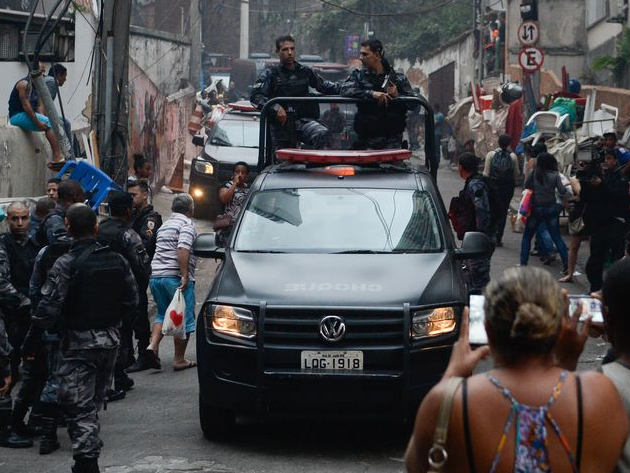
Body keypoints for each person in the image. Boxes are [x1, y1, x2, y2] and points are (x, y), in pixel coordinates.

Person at [405, 266, 629, 473]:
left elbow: (416, 466)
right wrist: (565, 365)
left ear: (487, 329)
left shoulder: (449, 402)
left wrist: (452, 375)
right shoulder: (601, 395)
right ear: (559, 329)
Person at [32, 203, 138, 473]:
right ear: (95, 227)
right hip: (109, 343)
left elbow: (47, 310)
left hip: (78, 343)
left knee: (79, 409)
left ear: (68, 227)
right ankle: (87, 457)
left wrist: (44, 334)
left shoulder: (66, 264)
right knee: (90, 406)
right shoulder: (116, 259)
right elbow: (132, 300)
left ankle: (87, 462)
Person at [97, 192, 151, 400]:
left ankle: (119, 375)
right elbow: (143, 264)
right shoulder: (128, 234)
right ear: (128, 210)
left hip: (99, 291)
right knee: (120, 334)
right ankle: (115, 378)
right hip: (123, 292)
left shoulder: (98, 229)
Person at [250, 35, 340, 150]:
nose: (289, 53)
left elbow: (324, 86)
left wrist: (347, 88)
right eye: (285, 49)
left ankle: (317, 165)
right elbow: (256, 96)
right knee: (281, 161)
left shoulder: (304, 71)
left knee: (322, 134)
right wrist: (275, 107)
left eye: (292, 49)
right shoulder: (270, 74)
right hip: (281, 126)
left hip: (304, 122)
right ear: (277, 52)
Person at [146, 194, 197, 371]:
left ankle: (152, 346)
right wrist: (184, 275)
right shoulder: (186, 225)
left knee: (162, 313)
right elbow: (183, 248)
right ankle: (179, 359)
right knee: (183, 317)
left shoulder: (165, 225)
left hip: (156, 276)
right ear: (191, 209)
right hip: (174, 277)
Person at [340, 39, 414, 150]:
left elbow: (413, 104)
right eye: (360, 54)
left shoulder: (398, 78)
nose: (361, 58)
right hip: (367, 141)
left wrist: (397, 95)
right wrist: (371, 94)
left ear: (377, 55)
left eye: (365, 54)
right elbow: (344, 90)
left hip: (392, 142)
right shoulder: (359, 76)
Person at [581, 148, 630, 292]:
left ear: (615, 161)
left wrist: (601, 185)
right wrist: (586, 184)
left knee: (616, 257)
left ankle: (615, 289)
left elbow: (617, 195)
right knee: (595, 258)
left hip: (615, 221)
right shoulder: (598, 175)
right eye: (605, 159)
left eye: (609, 159)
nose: (606, 162)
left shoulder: (620, 177)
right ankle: (595, 287)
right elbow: (586, 197)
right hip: (599, 222)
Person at [126, 181, 162, 373]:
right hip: (128, 270)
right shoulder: (131, 215)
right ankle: (128, 355)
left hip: (139, 270)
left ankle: (144, 353)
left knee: (139, 312)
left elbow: (144, 242)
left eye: (134, 195)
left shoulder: (150, 218)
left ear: (144, 195)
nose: (132, 198)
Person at [449, 152, 496, 293]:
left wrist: (479, 237)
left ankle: (477, 313)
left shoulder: (476, 185)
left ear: (461, 167)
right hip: (476, 239)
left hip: (478, 241)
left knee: (477, 285)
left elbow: (482, 210)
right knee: (470, 280)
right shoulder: (476, 182)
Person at [519, 152, 569, 272]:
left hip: (536, 209)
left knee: (527, 237)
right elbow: (562, 191)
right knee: (557, 237)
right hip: (551, 209)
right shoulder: (555, 175)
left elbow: (526, 187)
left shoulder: (533, 173)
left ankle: (523, 264)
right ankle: (567, 266)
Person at [8, 65, 64, 169]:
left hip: (27, 114)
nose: (43, 74)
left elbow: (39, 105)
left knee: (53, 121)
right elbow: (26, 107)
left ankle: (59, 155)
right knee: (50, 123)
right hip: (17, 116)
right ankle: (57, 156)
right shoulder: (23, 84)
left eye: (44, 71)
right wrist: (39, 122)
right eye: (41, 71)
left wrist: (41, 118)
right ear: (32, 72)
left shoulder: (36, 86)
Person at [483, 134, 519, 247]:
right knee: (503, 212)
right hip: (507, 189)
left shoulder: (491, 155)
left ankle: (489, 236)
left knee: (491, 210)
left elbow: (485, 173)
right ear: (509, 144)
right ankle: (498, 238)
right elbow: (516, 174)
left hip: (493, 187)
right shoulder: (513, 157)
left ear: (498, 142)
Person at [35, 179, 85, 246]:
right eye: (82, 195)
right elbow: (60, 245)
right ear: (75, 196)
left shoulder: (68, 214)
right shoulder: (55, 218)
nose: (83, 199)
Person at [216, 162, 250, 246]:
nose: (240, 174)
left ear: (247, 176)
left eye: (243, 172)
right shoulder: (226, 185)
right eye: (237, 172)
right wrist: (235, 184)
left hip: (243, 227)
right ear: (233, 174)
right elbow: (224, 199)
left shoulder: (249, 189)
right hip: (228, 226)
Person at [44, 64, 72, 146]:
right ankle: (68, 151)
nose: (65, 79)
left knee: (65, 123)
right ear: (59, 75)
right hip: (42, 112)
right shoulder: (53, 82)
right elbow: (46, 103)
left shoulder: (48, 80)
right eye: (64, 76)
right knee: (65, 124)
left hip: (43, 111)